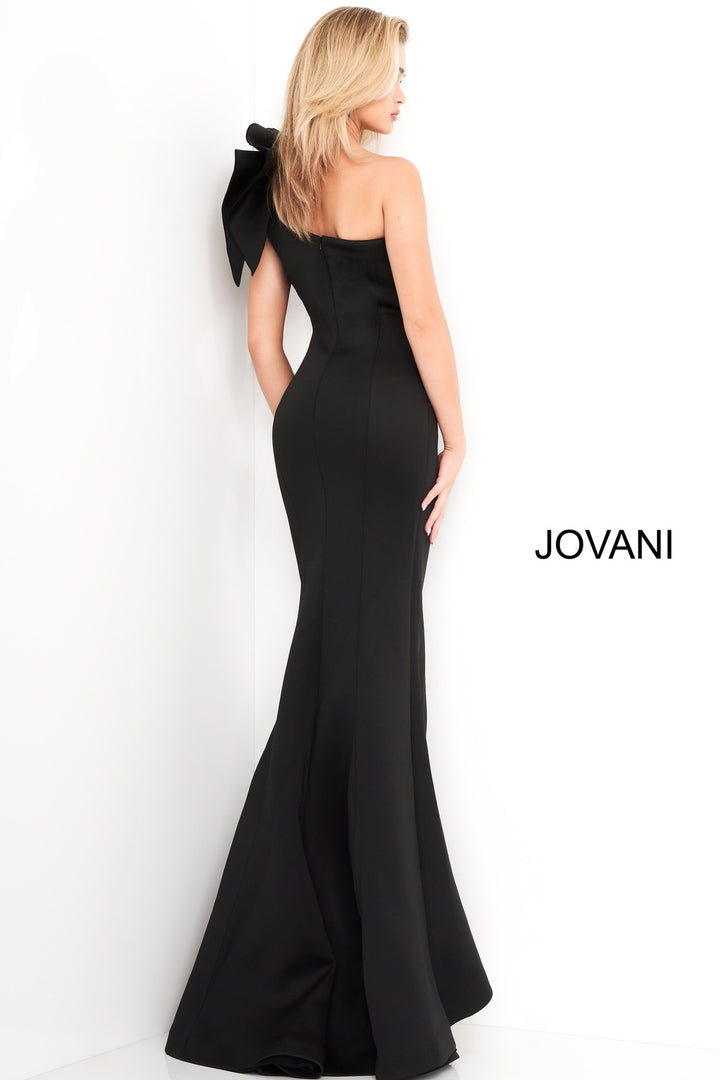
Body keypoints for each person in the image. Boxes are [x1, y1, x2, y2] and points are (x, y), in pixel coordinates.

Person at [165, 7, 492, 1079]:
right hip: (391, 428)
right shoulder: (394, 180)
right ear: (349, 80)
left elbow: (265, 343)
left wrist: (310, 425)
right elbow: (424, 320)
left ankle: (328, 975)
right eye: (392, 74)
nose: (402, 93)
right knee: (376, 680)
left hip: (310, 431)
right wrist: (459, 436)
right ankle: (384, 998)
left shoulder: (282, 188)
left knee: (344, 672)